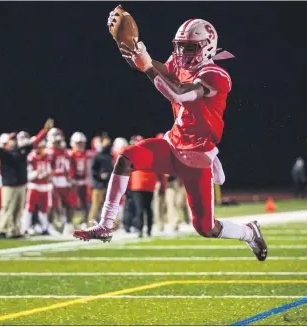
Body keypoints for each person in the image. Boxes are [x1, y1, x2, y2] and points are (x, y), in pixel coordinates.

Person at [74, 11, 268, 262]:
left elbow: (178, 94)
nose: (182, 53)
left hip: (197, 155)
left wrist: (144, 63)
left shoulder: (215, 75)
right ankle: (106, 224)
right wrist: (133, 47)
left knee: (206, 228)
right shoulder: (178, 63)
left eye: (189, 48)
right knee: (126, 158)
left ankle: (249, 233)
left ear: (207, 47)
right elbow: (154, 68)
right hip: (172, 143)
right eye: (180, 47)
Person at [0, 118, 53, 239]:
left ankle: (14, 230)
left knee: (18, 209)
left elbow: (36, 142)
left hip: (21, 184)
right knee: (7, 208)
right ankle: (2, 230)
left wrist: (45, 131)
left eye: (15, 139)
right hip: (9, 185)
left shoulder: (22, 151)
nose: (14, 142)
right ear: (8, 142)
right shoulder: (4, 153)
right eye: (12, 140)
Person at [21, 139, 52, 235]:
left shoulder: (47, 157)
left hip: (45, 186)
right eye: (39, 147)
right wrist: (36, 174)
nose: (41, 149)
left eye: (42, 147)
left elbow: (49, 170)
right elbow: (28, 175)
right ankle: (25, 228)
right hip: (34, 186)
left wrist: (48, 174)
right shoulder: (31, 157)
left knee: (44, 208)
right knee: (29, 207)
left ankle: (45, 228)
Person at [87, 134, 114, 223]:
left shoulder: (110, 156)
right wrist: (100, 176)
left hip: (107, 185)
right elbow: (92, 170)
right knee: (95, 206)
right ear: (101, 143)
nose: (108, 143)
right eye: (105, 141)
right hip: (98, 185)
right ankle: (91, 225)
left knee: (106, 206)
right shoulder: (97, 156)